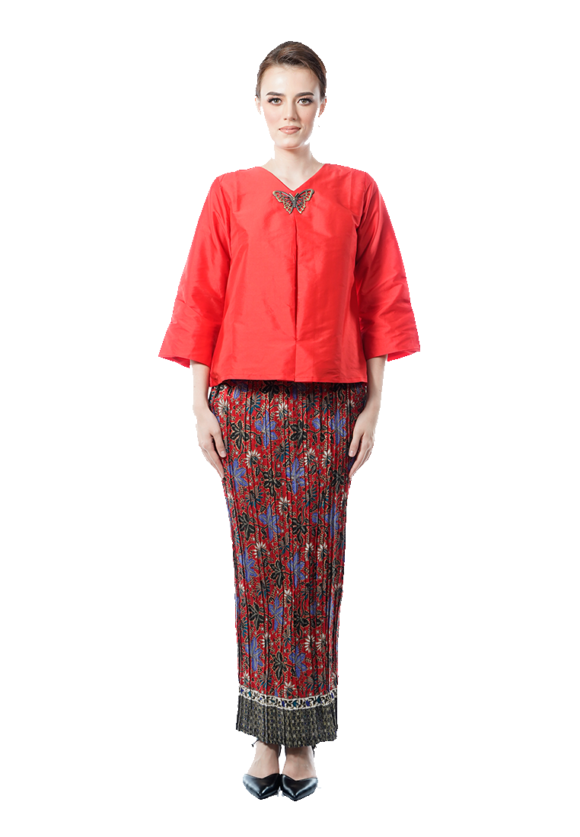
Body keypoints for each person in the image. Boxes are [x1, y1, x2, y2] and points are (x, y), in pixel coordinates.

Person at [158, 41, 420, 801]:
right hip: (245, 407)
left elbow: (381, 298)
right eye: (276, 99)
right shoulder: (229, 192)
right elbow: (202, 297)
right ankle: (262, 733)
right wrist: (198, 405)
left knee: (316, 565)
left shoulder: (357, 190)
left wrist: (375, 404)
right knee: (259, 566)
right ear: (258, 105)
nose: (290, 114)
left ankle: (302, 737)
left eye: (304, 99)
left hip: (331, 405)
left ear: (323, 105)